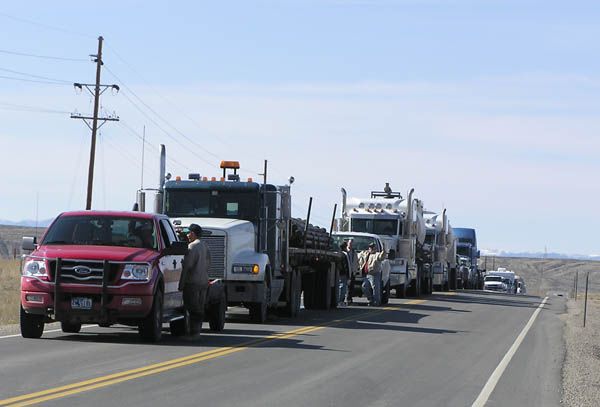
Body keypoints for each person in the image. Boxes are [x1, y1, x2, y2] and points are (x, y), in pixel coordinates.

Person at [178, 223, 211, 336]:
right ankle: (197, 331)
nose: (187, 235)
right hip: (203, 282)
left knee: (192, 309)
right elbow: (208, 262)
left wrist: (181, 284)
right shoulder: (205, 245)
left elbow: (188, 266)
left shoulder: (192, 247)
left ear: (192, 233)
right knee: (200, 308)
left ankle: (193, 332)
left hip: (192, 283)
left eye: (188, 233)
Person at [345, 239, 358, 305]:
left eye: (352, 243)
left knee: (351, 287)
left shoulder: (354, 253)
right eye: (350, 243)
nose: (351, 244)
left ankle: (349, 299)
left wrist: (355, 271)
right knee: (345, 286)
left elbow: (356, 262)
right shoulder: (344, 252)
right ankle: (343, 299)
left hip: (352, 272)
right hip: (346, 271)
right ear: (347, 243)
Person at [338, 242, 350, 307]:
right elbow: (346, 265)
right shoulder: (344, 255)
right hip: (343, 274)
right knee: (343, 288)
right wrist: (348, 275)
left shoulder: (338, 254)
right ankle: (341, 301)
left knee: (340, 287)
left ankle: (339, 300)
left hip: (339, 273)